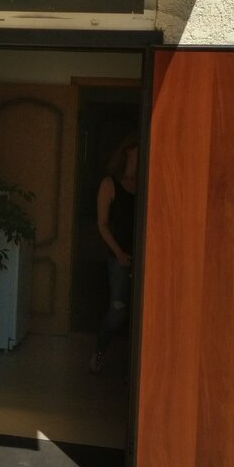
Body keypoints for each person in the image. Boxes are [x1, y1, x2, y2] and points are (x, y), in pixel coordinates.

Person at [89, 133, 138, 374]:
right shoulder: (110, 183)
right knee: (118, 309)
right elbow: (102, 223)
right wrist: (118, 253)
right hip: (120, 255)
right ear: (128, 151)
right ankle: (99, 351)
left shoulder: (146, 183)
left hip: (143, 255)